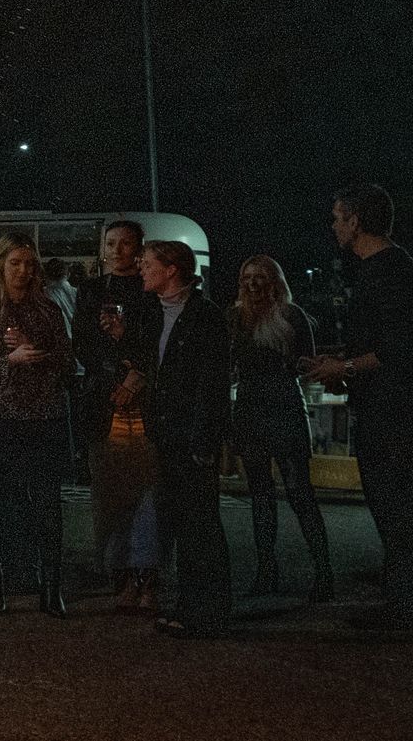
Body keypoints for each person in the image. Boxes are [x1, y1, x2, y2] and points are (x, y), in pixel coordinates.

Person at [305, 184, 413, 631]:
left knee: (394, 503)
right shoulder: (385, 268)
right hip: (384, 404)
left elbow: (399, 347)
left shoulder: (387, 271)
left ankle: (402, 606)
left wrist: (344, 365)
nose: (333, 226)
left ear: (356, 221)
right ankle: (398, 591)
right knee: (391, 503)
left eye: (337, 218)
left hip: (393, 410)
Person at [0, 234, 73, 617]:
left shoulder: (48, 309)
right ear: (0, 266)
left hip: (43, 415)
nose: (24, 271)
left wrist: (37, 352)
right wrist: (9, 359)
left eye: (29, 264)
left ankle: (51, 585)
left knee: (47, 502)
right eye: (16, 264)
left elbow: (65, 360)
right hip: (1, 418)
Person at [140, 239, 232, 638]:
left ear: (171, 269)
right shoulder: (158, 312)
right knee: (184, 520)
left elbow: (209, 384)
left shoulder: (204, 317)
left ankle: (207, 612)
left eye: (148, 264)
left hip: (190, 435)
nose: (142, 270)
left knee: (200, 524)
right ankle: (194, 607)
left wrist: (202, 440)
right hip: (170, 432)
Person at [230, 255, 331, 598]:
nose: (252, 283)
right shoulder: (235, 316)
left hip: (285, 406)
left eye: (260, 277)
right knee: (260, 495)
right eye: (247, 277)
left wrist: (299, 364)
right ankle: (266, 572)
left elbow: (308, 361)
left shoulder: (291, 315)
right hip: (250, 408)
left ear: (274, 281)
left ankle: (323, 573)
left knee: (300, 493)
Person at [75, 219, 163, 609]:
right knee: (109, 494)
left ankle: (149, 574)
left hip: (145, 404)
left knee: (149, 492)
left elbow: (157, 342)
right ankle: (119, 574)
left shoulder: (151, 291)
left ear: (140, 248)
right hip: (104, 403)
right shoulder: (90, 291)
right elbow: (83, 342)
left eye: (126, 244)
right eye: (111, 243)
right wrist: (113, 377)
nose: (117, 251)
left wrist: (135, 376)